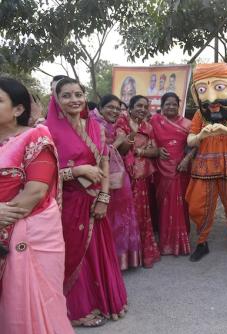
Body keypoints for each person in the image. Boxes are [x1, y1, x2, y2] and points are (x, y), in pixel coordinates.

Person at [46, 77, 127, 327]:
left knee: (97, 252)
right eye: (67, 95)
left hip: (94, 200)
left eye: (78, 94)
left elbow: (104, 164)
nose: (74, 100)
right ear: (56, 99)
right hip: (67, 204)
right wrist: (78, 171)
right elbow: (43, 175)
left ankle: (103, 300)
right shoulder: (46, 131)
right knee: (74, 255)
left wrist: (104, 198)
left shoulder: (95, 127)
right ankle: (77, 309)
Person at [0, 77, 74, 333]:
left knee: (33, 301)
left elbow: (35, 192)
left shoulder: (36, 137)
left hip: (31, 231)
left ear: (18, 109)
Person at [186, 63, 227, 262]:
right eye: (203, 90)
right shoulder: (199, 114)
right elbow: (189, 139)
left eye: (219, 87)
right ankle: (202, 242)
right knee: (198, 206)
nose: (212, 99)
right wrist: (200, 136)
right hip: (204, 169)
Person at [91, 95, 141, 270]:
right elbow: (95, 153)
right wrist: (116, 143)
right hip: (100, 178)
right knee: (107, 217)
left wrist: (132, 134)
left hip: (119, 177)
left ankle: (123, 260)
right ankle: (107, 261)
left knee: (124, 215)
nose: (114, 111)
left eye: (118, 108)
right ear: (101, 107)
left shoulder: (115, 125)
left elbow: (123, 150)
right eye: (110, 107)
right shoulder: (92, 124)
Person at [115, 95, 162, 268]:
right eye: (139, 105)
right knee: (126, 215)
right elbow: (122, 149)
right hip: (125, 175)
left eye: (145, 106)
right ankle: (124, 258)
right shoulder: (121, 122)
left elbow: (155, 151)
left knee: (141, 214)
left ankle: (142, 254)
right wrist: (133, 135)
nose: (142, 109)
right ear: (130, 107)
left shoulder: (148, 126)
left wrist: (139, 151)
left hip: (141, 176)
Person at [151, 92, 196, 256]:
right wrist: (155, 150)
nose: (171, 107)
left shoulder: (188, 123)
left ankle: (180, 242)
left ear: (179, 106)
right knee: (163, 204)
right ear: (162, 107)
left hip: (181, 168)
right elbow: (147, 139)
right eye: (167, 104)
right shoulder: (154, 121)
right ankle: (166, 242)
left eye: (174, 104)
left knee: (181, 204)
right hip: (160, 169)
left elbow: (197, 144)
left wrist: (187, 159)